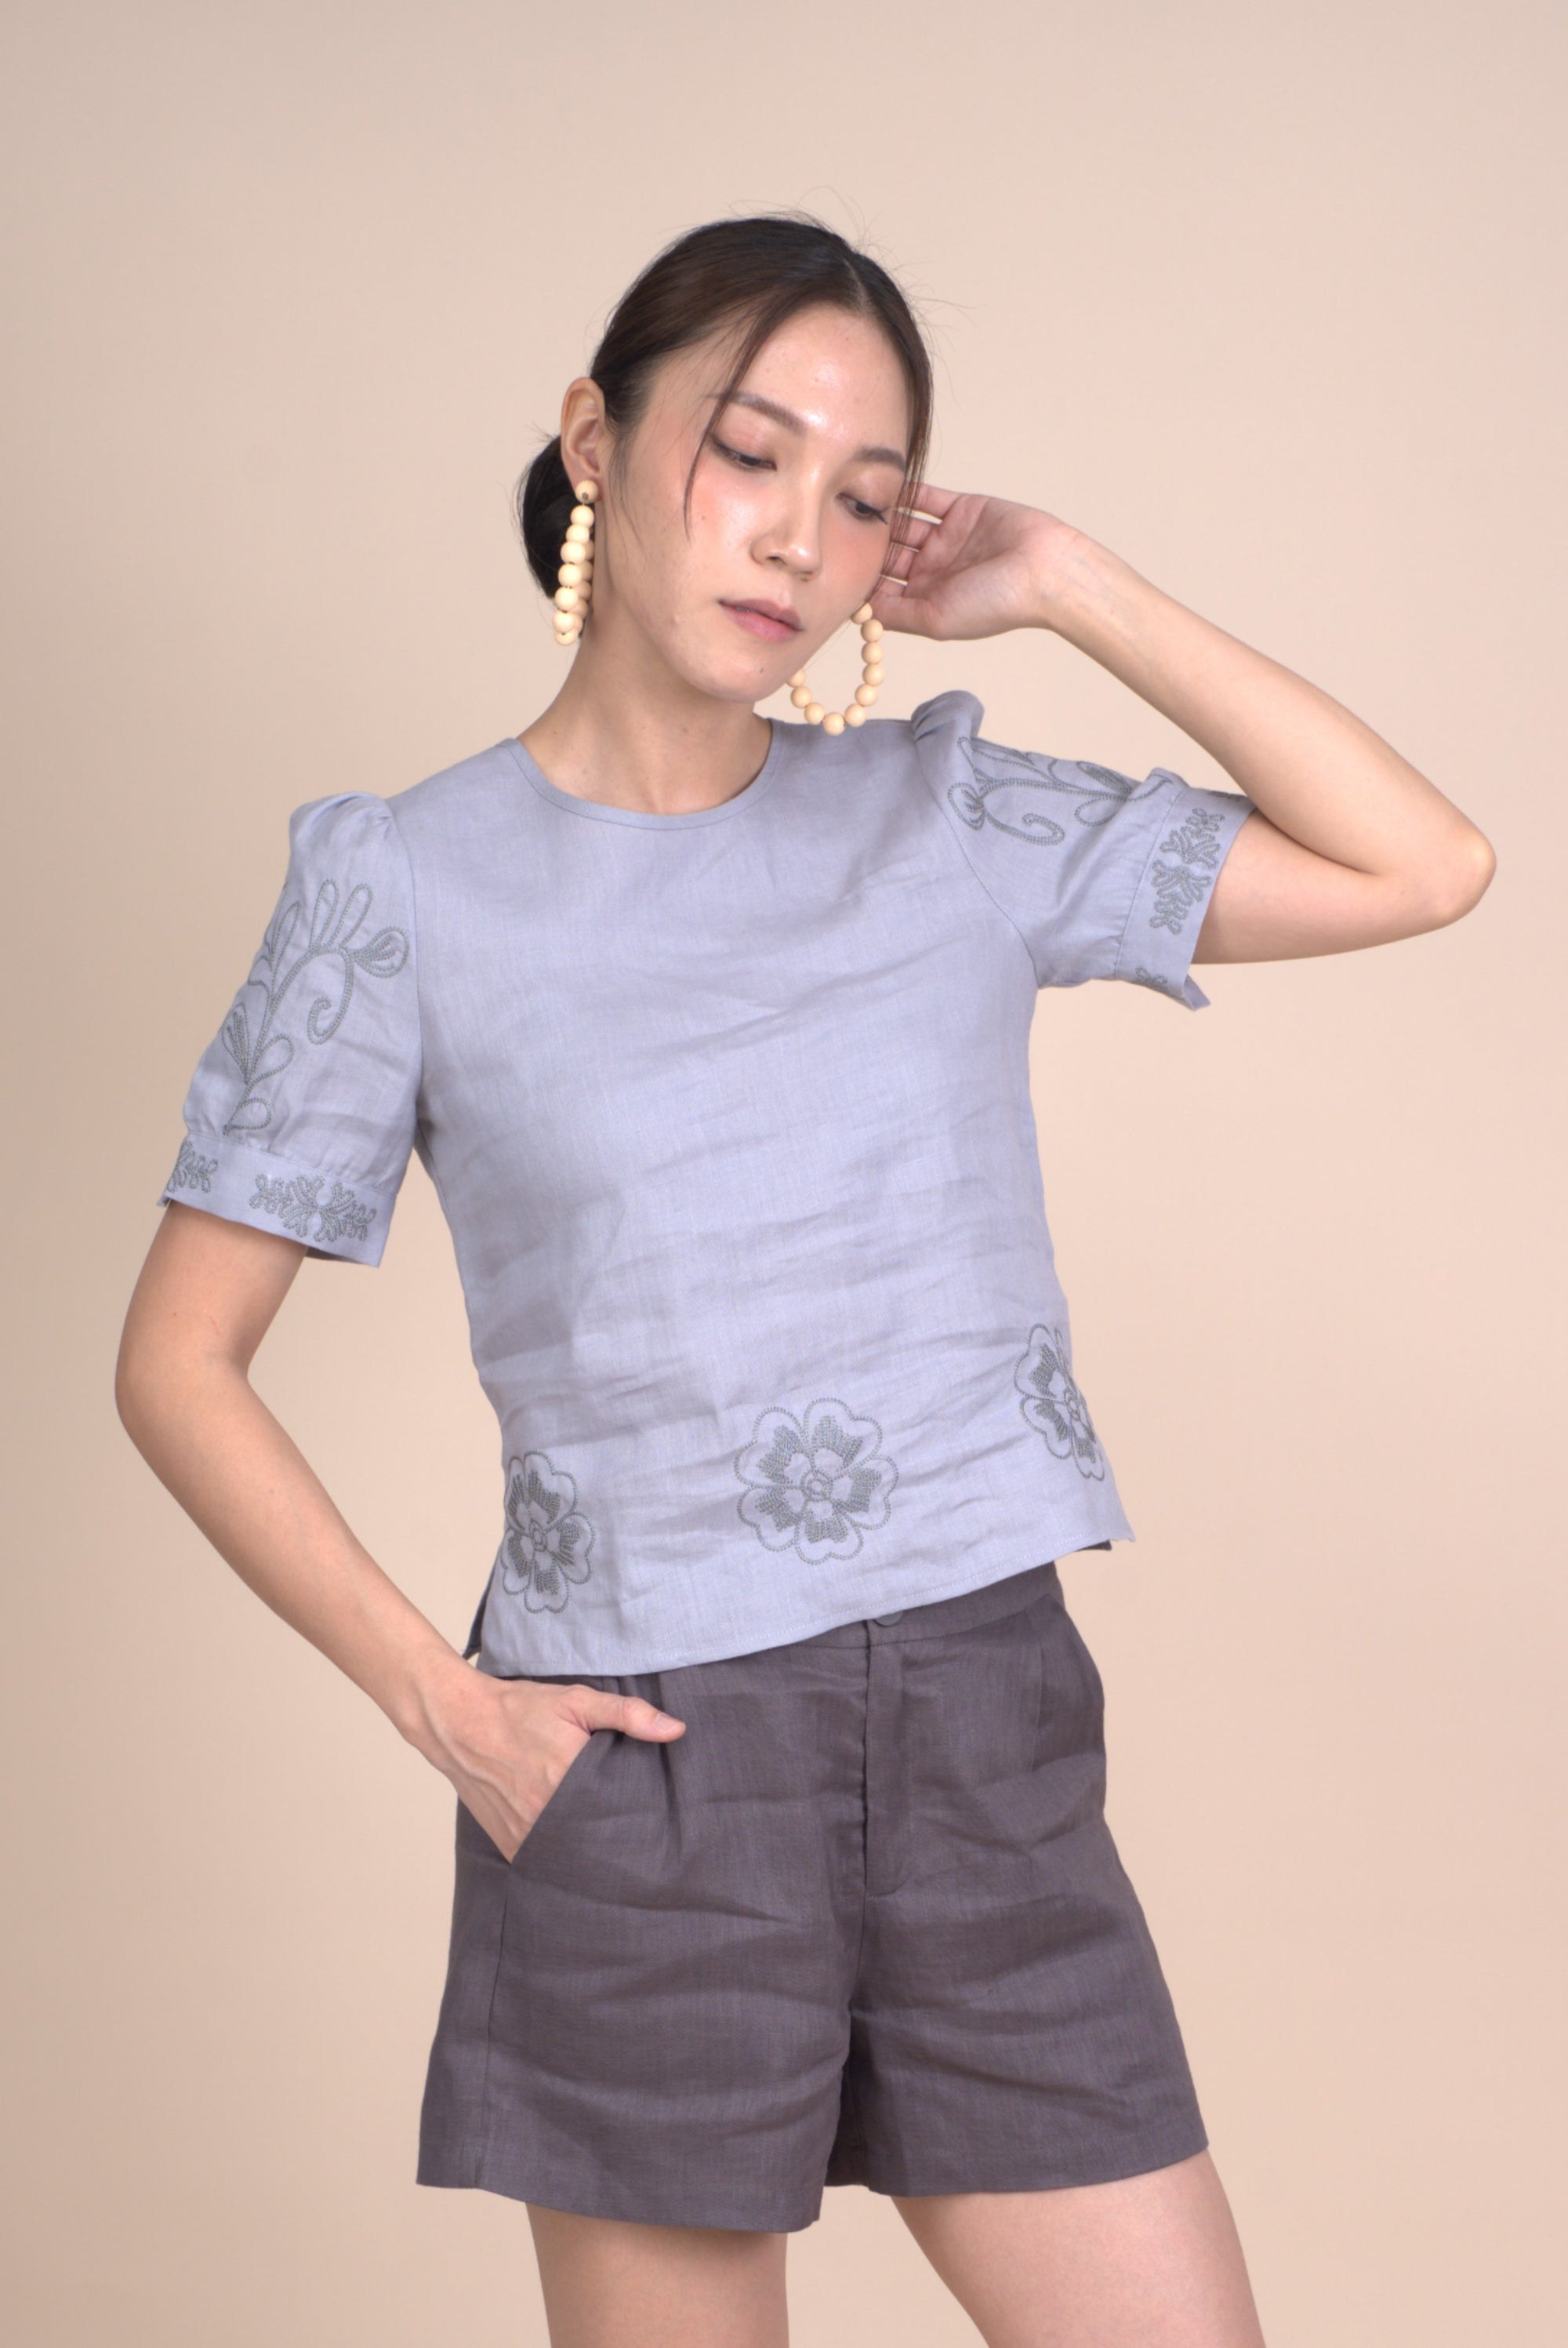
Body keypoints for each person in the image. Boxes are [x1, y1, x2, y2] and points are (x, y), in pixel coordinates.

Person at [115, 213, 1494, 2348]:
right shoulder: (405, 885)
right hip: (643, 1758)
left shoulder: (947, 814)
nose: (795, 538)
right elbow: (179, 1363)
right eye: (748, 454)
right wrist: (446, 1705)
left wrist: (1071, 582)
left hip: (985, 1723)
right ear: (595, 438)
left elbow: (1425, 862)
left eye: (866, 498)